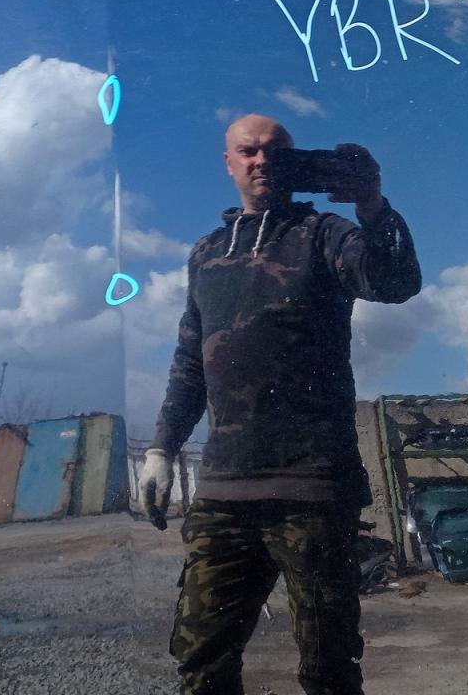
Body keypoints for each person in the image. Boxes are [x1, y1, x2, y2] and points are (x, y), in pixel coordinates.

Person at [139, 114, 421, 695]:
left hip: (312, 487)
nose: (261, 160)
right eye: (248, 151)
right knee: (201, 661)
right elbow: (190, 359)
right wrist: (162, 448)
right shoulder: (205, 254)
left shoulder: (324, 234)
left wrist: (371, 202)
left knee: (328, 668)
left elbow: (395, 282)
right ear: (228, 163)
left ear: (294, 161)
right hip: (224, 491)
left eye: (276, 151)